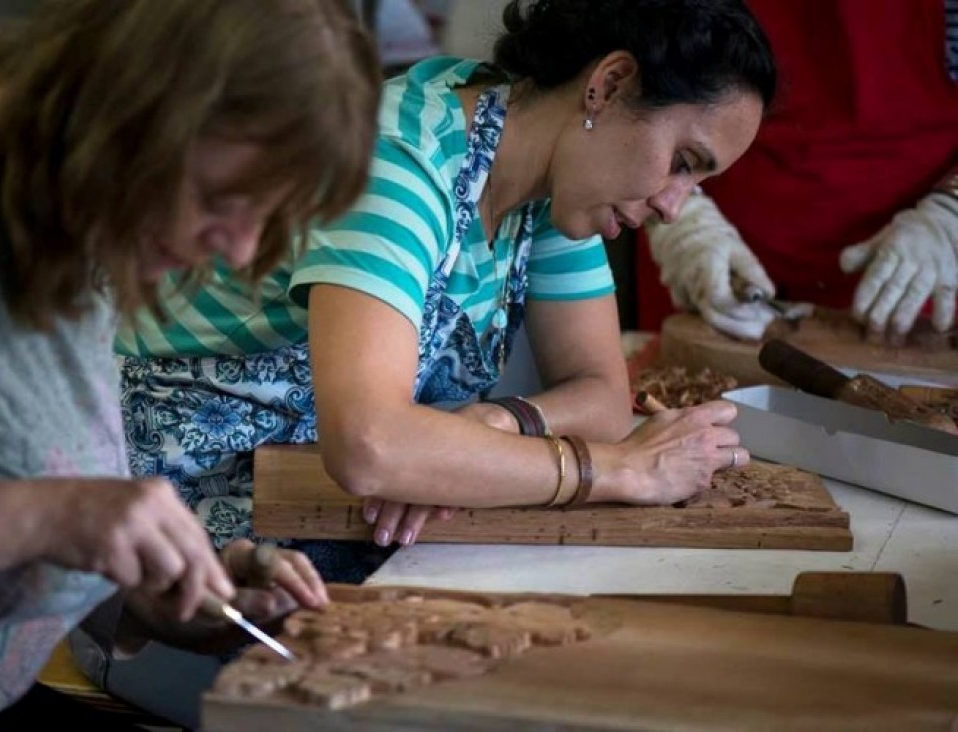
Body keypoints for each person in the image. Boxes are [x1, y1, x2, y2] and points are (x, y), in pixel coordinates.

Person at [0, 0, 381, 729]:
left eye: (264, 219)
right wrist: (57, 515)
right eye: (221, 200)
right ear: (134, 112)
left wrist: (167, 594)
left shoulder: (80, 213)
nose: (236, 251)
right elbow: (32, 511)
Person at [117, 0, 776, 563]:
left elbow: (603, 397)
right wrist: (620, 470)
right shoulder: (403, 160)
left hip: (336, 518)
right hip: (177, 541)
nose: (672, 205)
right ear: (609, 83)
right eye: (683, 162)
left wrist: (493, 424)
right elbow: (371, 447)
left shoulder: (552, 188)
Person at [641, 0, 958, 342]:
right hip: (704, 238)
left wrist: (950, 213)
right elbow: (626, 61)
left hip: (910, 266)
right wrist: (680, 214)